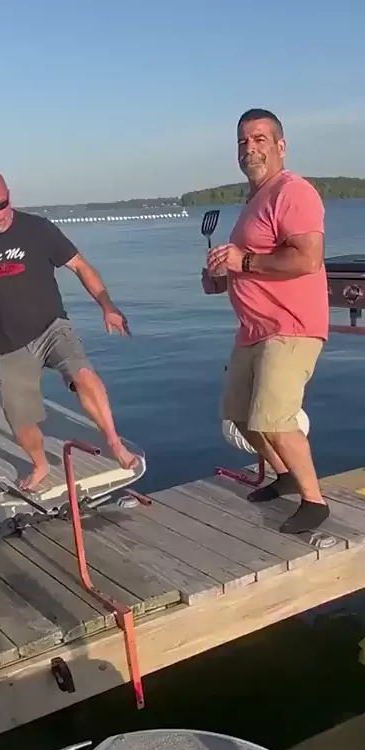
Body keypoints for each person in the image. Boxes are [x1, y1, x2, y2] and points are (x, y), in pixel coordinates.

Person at [0, 168, 138, 492]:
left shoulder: (38, 229)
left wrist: (107, 306)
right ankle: (40, 464)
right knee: (20, 422)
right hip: (9, 342)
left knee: (83, 375)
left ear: (9, 197)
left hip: (52, 327)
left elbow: (80, 266)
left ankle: (114, 443)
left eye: (1, 205)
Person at [202, 108, 329, 535]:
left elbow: (307, 259)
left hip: (290, 326)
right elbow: (250, 264)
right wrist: (222, 277)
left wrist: (243, 260)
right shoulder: (253, 201)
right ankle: (285, 475)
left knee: (274, 418)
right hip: (253, 330)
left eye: (259, 139)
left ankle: (314, 501)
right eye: (243, 141)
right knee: (238, 414)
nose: (250, 148)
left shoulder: (292, 192)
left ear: (280, 146)